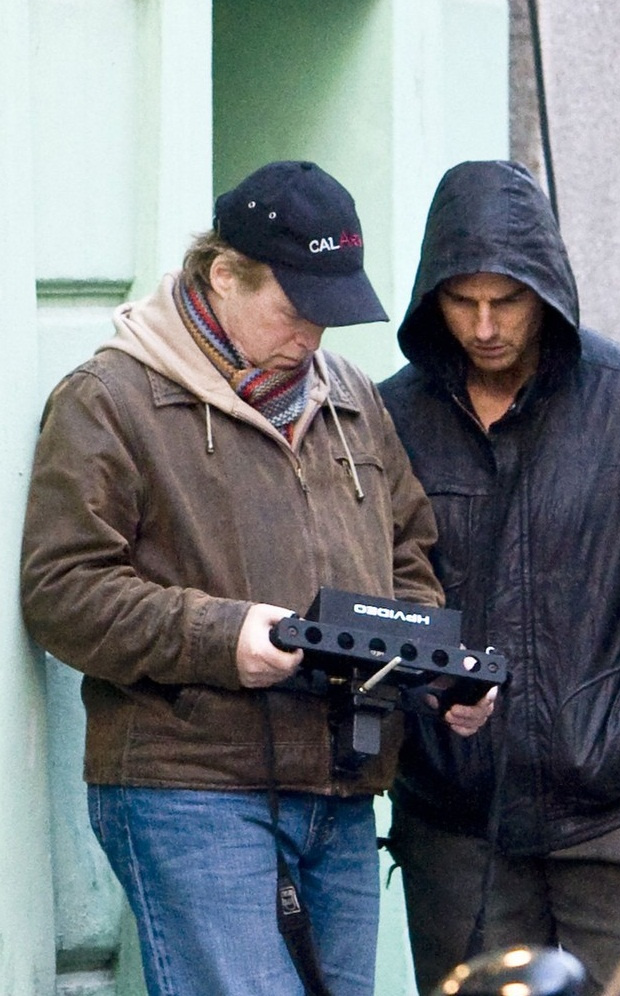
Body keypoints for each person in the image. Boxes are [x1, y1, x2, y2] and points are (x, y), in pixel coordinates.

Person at [19, 160, 494, 996]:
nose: (314, 335)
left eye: (332, 313)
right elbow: (63, 592)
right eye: (295, 309)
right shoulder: (109, 398)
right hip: (189, 788)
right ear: (223, 274)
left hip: (344, 786)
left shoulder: (349, 394)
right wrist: (220, 637)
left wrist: (430, 668)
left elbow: (408, 553)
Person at [377, 159, 620, 996]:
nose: (482, 326)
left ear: (546, 289)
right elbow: (372, 594)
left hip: (612, 822)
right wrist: (425, 708)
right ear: (430, 296)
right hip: (456, 830)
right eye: (459, 300)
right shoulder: (389, 417)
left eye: (505, 301)